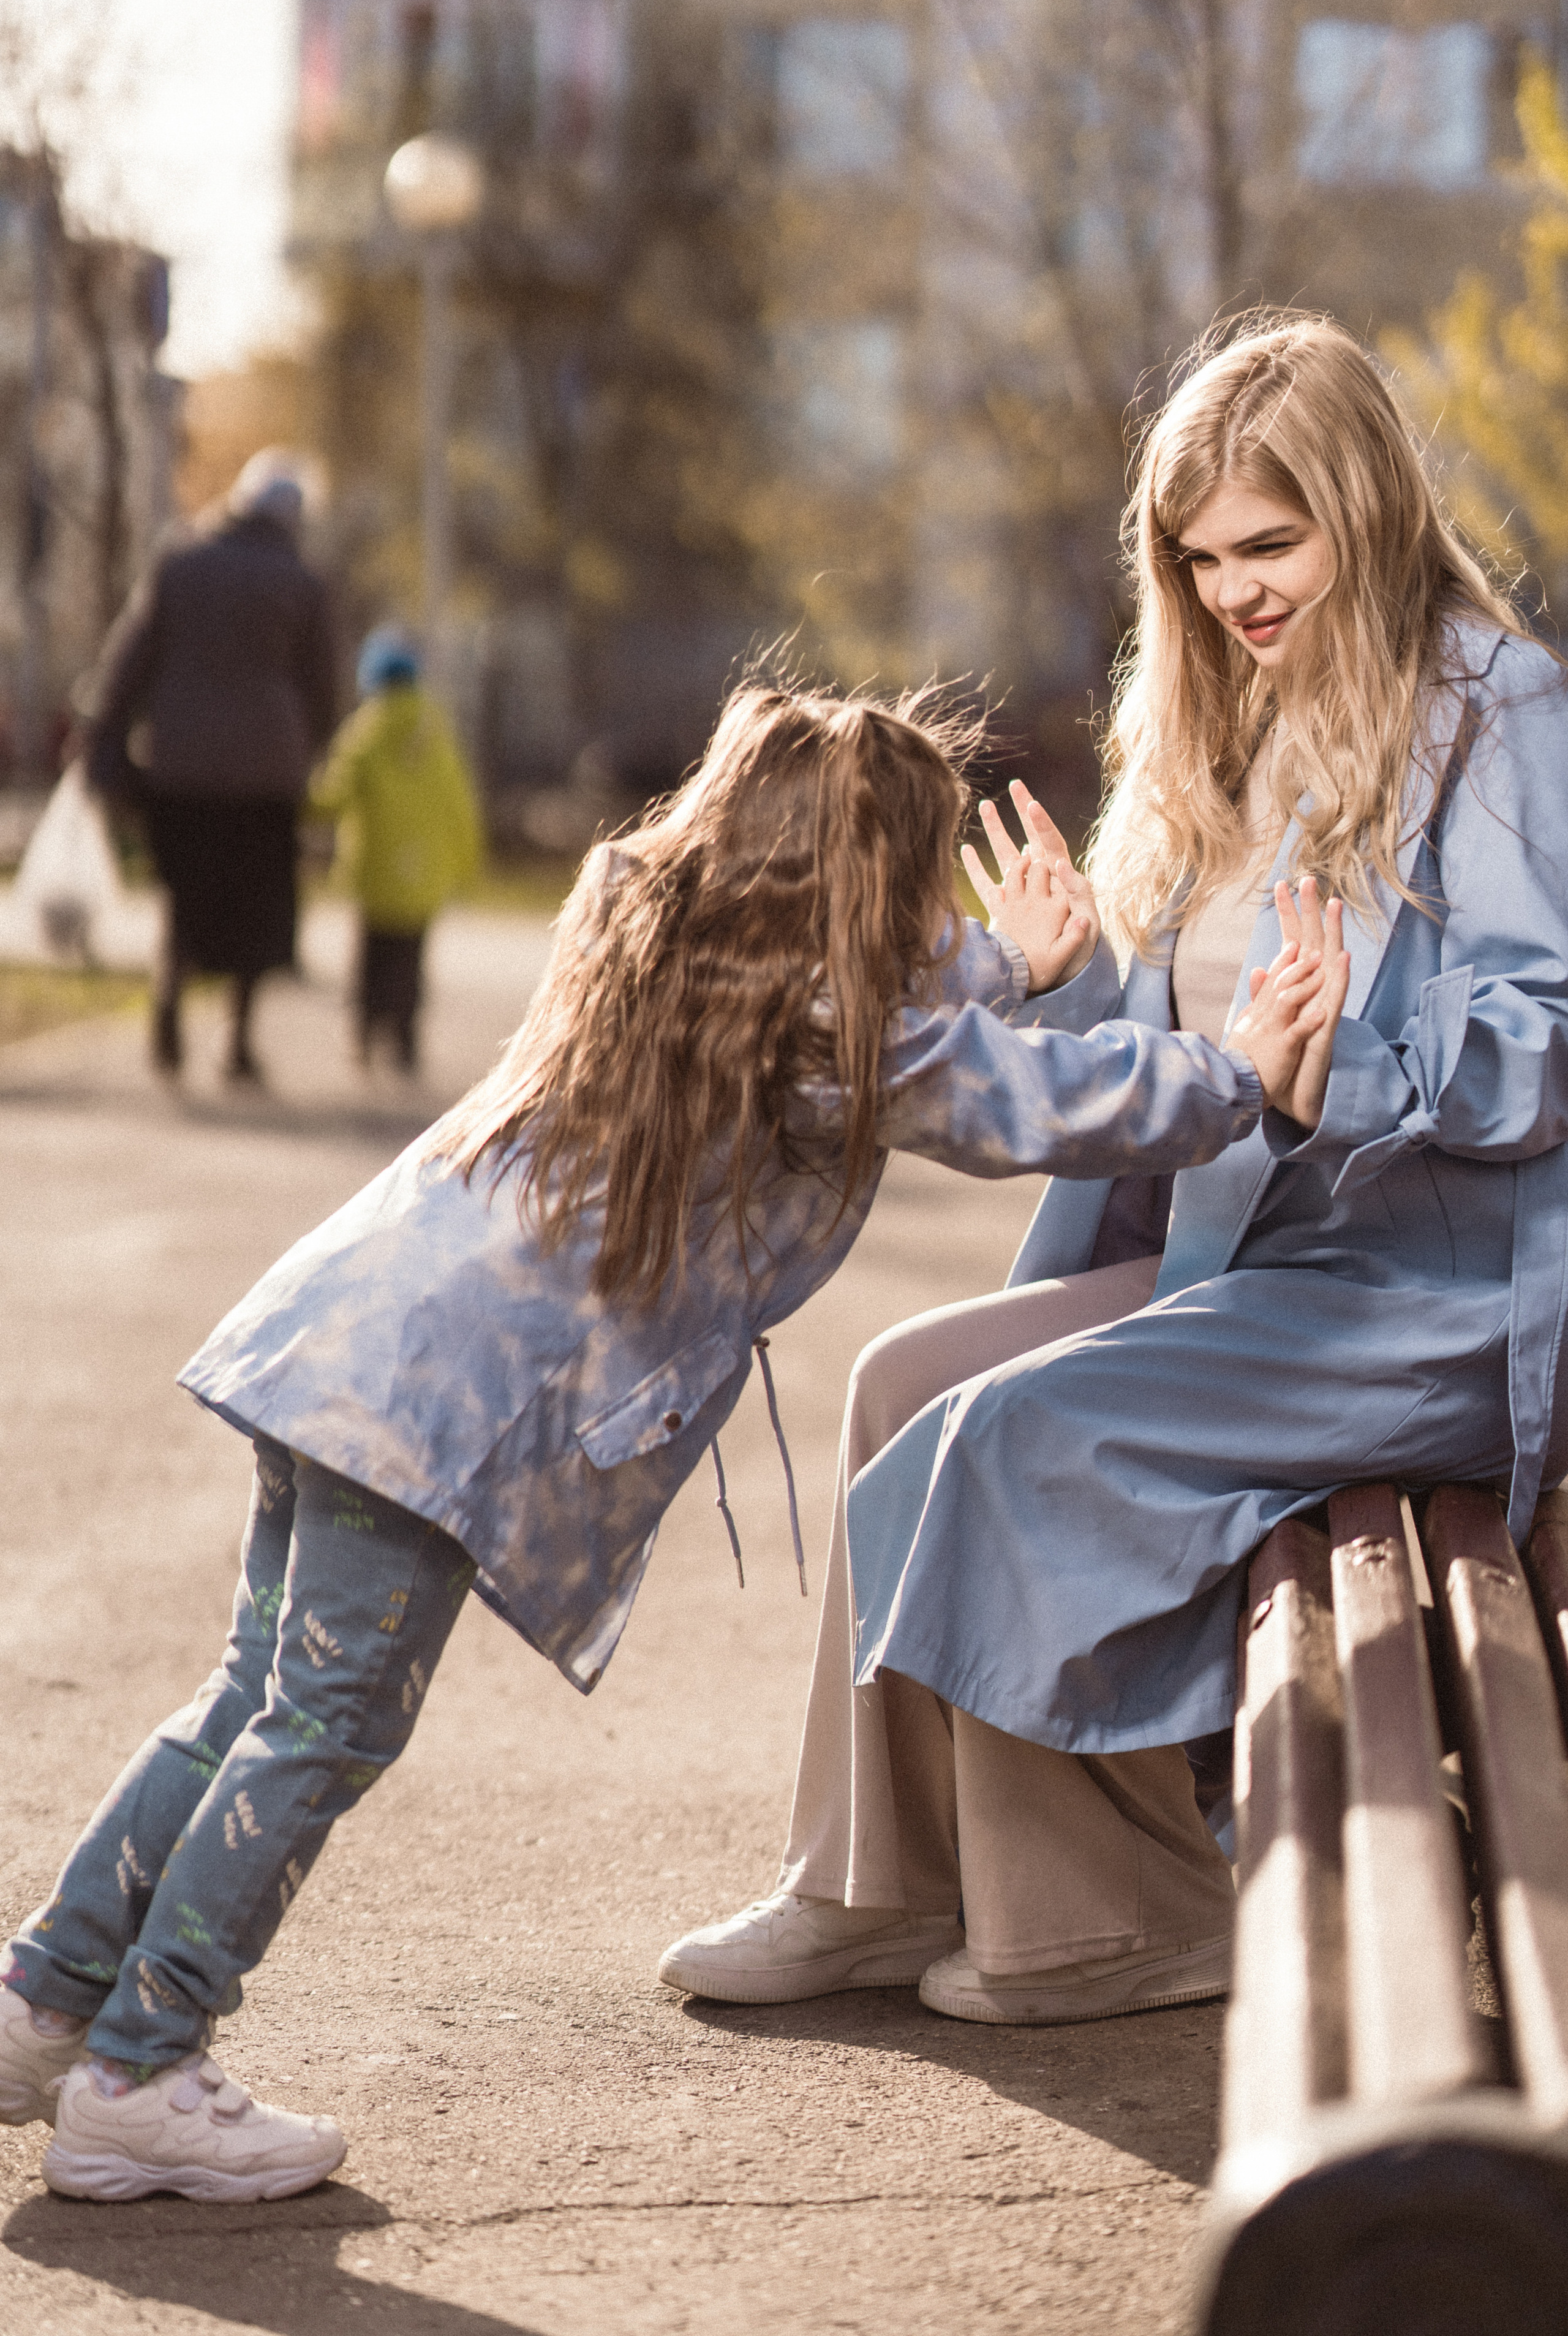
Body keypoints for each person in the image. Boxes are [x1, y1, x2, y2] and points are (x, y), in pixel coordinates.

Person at [0, 682, 1337, 2206]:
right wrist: (1237, 1077)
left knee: (249, 1693)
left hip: (333, 1340)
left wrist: (1012, 965)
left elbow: (899, 1000)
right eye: (907, 889)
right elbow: (1006, 1095)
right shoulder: (825, 1034)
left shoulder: (669, 928)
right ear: (860, 889)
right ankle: (144, 2069)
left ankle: (47, 2004)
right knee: (325, 1724)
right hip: (434, 1415)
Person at [660, 311, 1568, 2030]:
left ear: (1366, 514)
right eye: (1203, 556)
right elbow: (1208, 1049)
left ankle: (1128, 1910)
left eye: (1272, 545)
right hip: (1256, 1252)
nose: (1234, 589)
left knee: (1009, 1436)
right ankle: (870, 1879)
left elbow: (1543, 1034)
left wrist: (1352, 1069)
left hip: (1431, 1296)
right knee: (896, 1381)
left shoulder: (1497, 716)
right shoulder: (1243, 721)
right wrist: (1079, 980)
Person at [85, 447, 337, 1084]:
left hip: (181, 762)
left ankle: (169, 995)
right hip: (265, 773)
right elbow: (325, 684)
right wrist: (316, 748)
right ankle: (238, 1039)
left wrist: (104, 732)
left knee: (186, 893)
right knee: (255, 905)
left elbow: (131, 656)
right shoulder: (303, 583)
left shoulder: (181, 563)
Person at [310, 625, 483, 1075]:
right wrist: (467, 861)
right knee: (411, 960)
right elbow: (459, 803)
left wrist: (301, 805)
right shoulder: (438, 732)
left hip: (375, 868)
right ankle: (405, 1040)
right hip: (426, 873)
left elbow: (334, 796)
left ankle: (365, 1032)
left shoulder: (365, 731)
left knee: (371, 957)